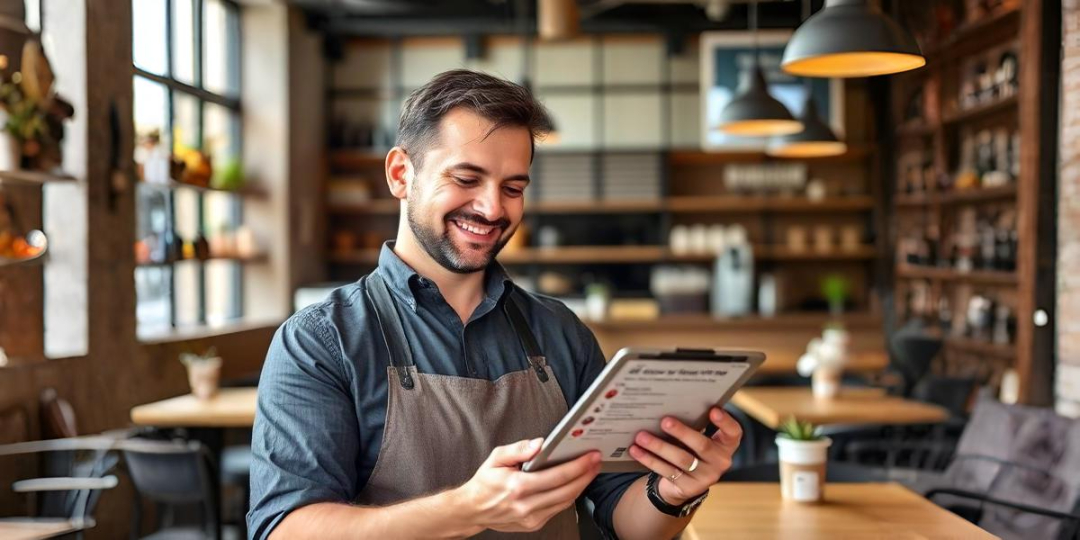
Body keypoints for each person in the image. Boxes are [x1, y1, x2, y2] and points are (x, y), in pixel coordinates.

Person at [248, 69, 743, 540]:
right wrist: (467, 509)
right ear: (401, 174)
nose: (492, 209)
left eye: (512, 188)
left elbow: (624, 520)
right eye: (466, 179)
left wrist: (674, 492)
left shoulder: (560, 333)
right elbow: (286, 529)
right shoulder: (320, 341)